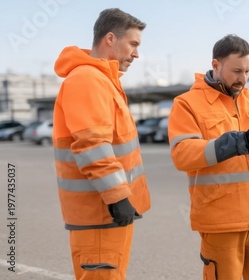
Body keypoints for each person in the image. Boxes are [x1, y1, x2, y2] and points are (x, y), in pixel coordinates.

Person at [168, 34, 249, 280]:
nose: (243, 79)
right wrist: (239, 142)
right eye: (236, 71)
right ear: (216, 65)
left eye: (247, 71)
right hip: (220, 222)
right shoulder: (187, 104)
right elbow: (182, 155)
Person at [52, 8, 151, 279]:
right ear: (110, 39)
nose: (136, 54)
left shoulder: (103, 81)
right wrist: (117, 196)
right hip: (100, 213)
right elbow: (92, 145)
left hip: (109, 213)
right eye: (133, 44)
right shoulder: (87, 79)